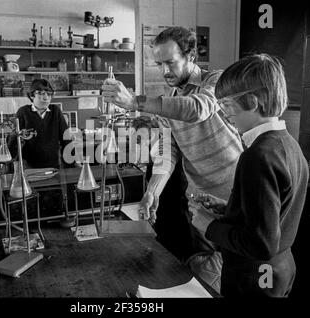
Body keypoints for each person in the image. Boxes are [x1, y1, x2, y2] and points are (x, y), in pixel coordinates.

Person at [102, 26, 243, 292]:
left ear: (191, 56)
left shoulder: (217, 81)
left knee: (236, 276)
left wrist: (134, 100)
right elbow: (169, 153)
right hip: (201, 202)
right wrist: (152, 192)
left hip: (234, 196)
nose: (164, 71)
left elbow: (199, 109)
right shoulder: (169, 101)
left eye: (170, 62)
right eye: (159, 64)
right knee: (206, 279)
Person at [191, 54, 309, 296]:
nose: (223, 113)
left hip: (255, 278)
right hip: (280, 270)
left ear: (253, 101)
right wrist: (230, 208)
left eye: (226, 104)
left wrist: (209, 226)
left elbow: (260, 245)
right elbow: (272, 217)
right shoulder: (289, 145)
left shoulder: (257, 156)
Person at [8, 79, 69, 169]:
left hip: (53, 164)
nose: (46, 98)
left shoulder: (55, 111)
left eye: (49, 94)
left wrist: (73, 162)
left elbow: (66, 138)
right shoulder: (23, 112)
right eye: (40, 93)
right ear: (32, 95)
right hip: (28, 166)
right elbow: (14, 140)